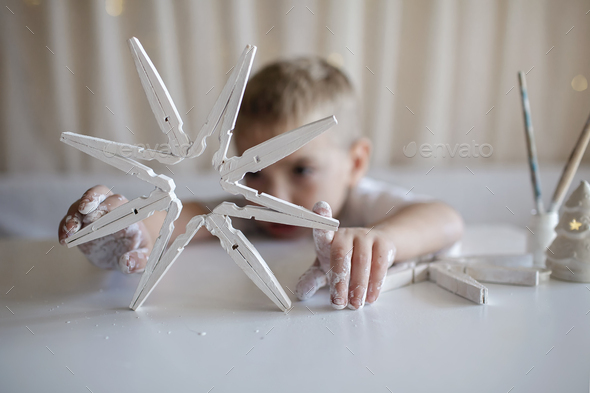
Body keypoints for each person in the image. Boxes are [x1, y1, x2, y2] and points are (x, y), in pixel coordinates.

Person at [58, 57, 463, 310]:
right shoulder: (248, 207)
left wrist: (384, 240)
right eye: (253, 172)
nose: (273, 196)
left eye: (302, 170)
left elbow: (444, 219)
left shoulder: (363, 203)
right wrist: (135, 229)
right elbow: (188, 215)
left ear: (355, 163)